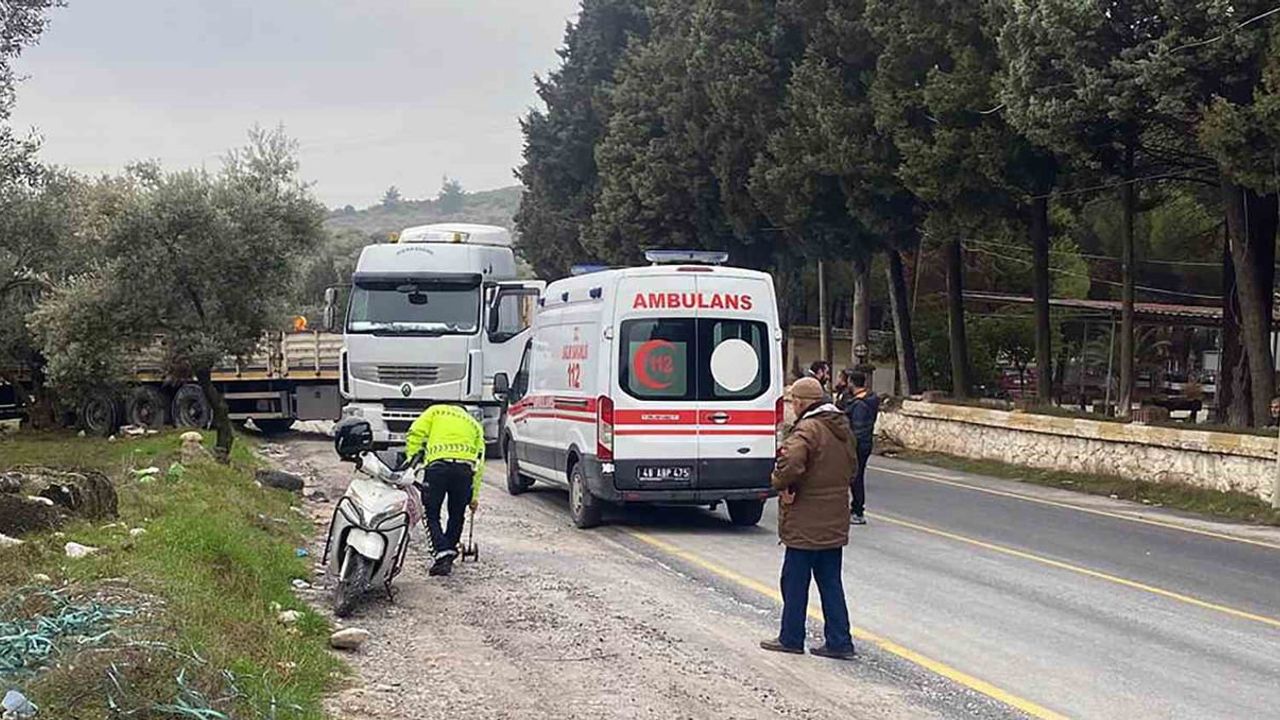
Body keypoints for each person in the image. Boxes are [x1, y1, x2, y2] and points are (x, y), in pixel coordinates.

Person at [760, 377, 858, 660]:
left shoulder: (807, 429)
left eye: (794, 401)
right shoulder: (842, 428)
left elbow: (790, 463)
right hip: (834, 516)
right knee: (830, 582)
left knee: (794, 581)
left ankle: (791, 637)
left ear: (802, 402)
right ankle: (840, 641)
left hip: (806, 518)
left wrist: (779, 481)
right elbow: (852, 468)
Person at [404, 403, 485, 576]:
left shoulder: (435, 411)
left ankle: (442, 553)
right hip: (465, 469)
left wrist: (411, 461)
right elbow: (480, 464)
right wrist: (474, 497)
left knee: (431, 512)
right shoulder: (474, 423)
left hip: (437, 468)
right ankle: (448, 549)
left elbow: (415, 433)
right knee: (457, 514)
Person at [839, 370, 880, 525]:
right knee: (856, 476)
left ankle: (857, 511)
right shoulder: (868, 400)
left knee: (855, 477)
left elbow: (858, 428)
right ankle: (855, 508)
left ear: (851, 383)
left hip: (858, 444)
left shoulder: (860, 405)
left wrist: (850, 445)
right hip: (864, 443)